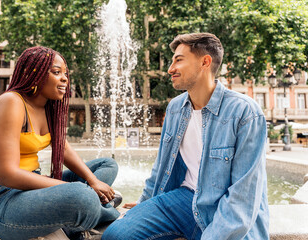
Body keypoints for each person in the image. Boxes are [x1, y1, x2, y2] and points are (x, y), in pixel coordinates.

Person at [103, 33, 269, 239]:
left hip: (224, 207)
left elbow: (243, 196)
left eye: (178, 60)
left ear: (205, 62)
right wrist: (146, 204)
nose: (170, 69)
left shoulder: (245, 112)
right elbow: (160, 168)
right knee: (115, 235)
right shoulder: (175, 108)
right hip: (185, 198)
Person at [0, 46, 121, 240]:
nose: (64, 79)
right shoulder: (11, 102)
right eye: (56, 72)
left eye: (65, 74)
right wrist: (68, 188)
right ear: (33, 74)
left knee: (106, 165)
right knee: (82, 196)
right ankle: (107, 213)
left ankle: (92, 209)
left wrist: (93, 181)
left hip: (32, 186)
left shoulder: (48, 109)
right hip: (1, 201)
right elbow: (6, 175)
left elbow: (65, 151)